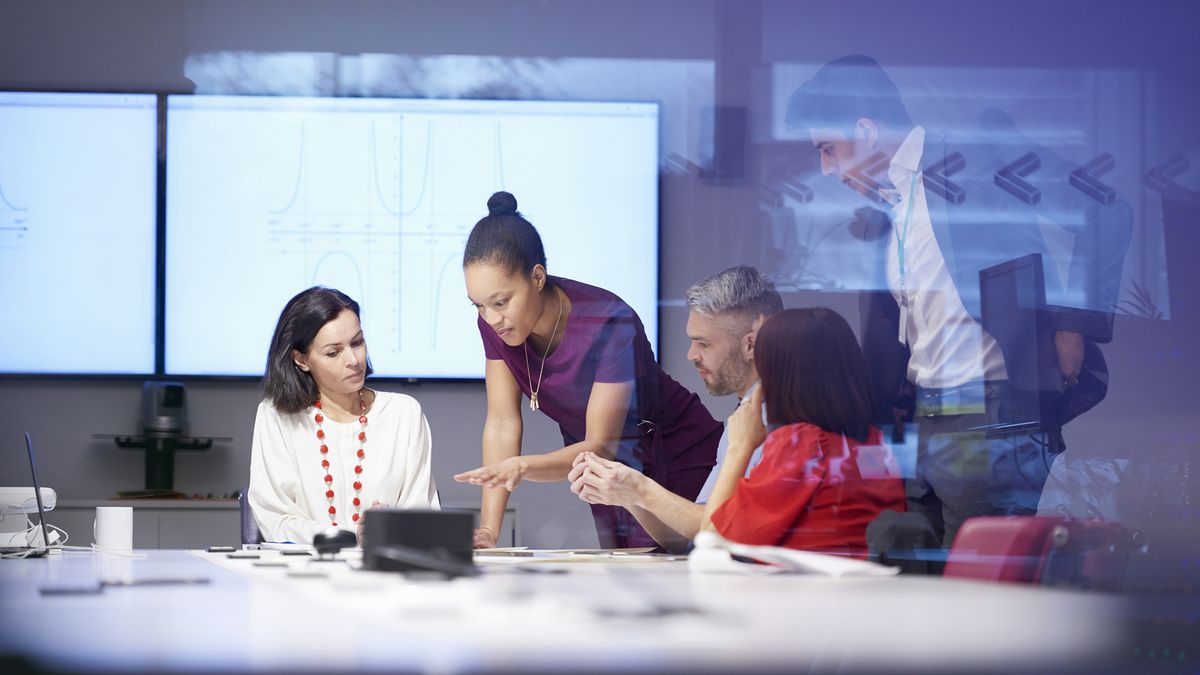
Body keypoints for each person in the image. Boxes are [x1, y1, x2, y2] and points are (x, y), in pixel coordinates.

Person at [785, 55, 1127, 546]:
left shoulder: (976, 156)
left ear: (864, 130)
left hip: (990, 413)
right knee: (919, 585)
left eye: (828, 149)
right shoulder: (886, 208)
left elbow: (1105, 209)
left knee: (976, 588)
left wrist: (1074, 324)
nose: (825, 168)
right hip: (921, 421)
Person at [453, 191, 722, 549]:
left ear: (537, 277)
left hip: (672, 451)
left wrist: (521, 467)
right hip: (601, 471)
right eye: (479, 306)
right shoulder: (494, 323)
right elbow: (502, 422)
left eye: (500, 302)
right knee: (629, 582)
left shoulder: (608, 321)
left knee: (693, 569)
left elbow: (600, 445)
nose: (491, 318)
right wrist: (489, 529)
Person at [568, 265, 783, 552]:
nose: (691, 354)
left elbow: (716, 530)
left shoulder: (776, 420)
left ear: (750, 345)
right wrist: (627, 494)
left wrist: (640, 489)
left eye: (703, 343)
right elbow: (692, 536)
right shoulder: (744, 418)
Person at [700, 308, 906, 553]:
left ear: (780, 379)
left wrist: (739, 447)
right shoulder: (873, 443)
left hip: (806, 588)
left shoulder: (802, 445)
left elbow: (712, 541)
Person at [249, 287, 439, 544]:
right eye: (333, 352)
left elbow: (422, 516)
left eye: (357, 342)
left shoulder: (404, 414)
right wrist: (351, 536)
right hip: (302, 576)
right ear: (301, 360)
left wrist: (393, 526)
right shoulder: (276, 416)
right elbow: (276, 520)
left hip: (386, 575)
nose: (353, 359)